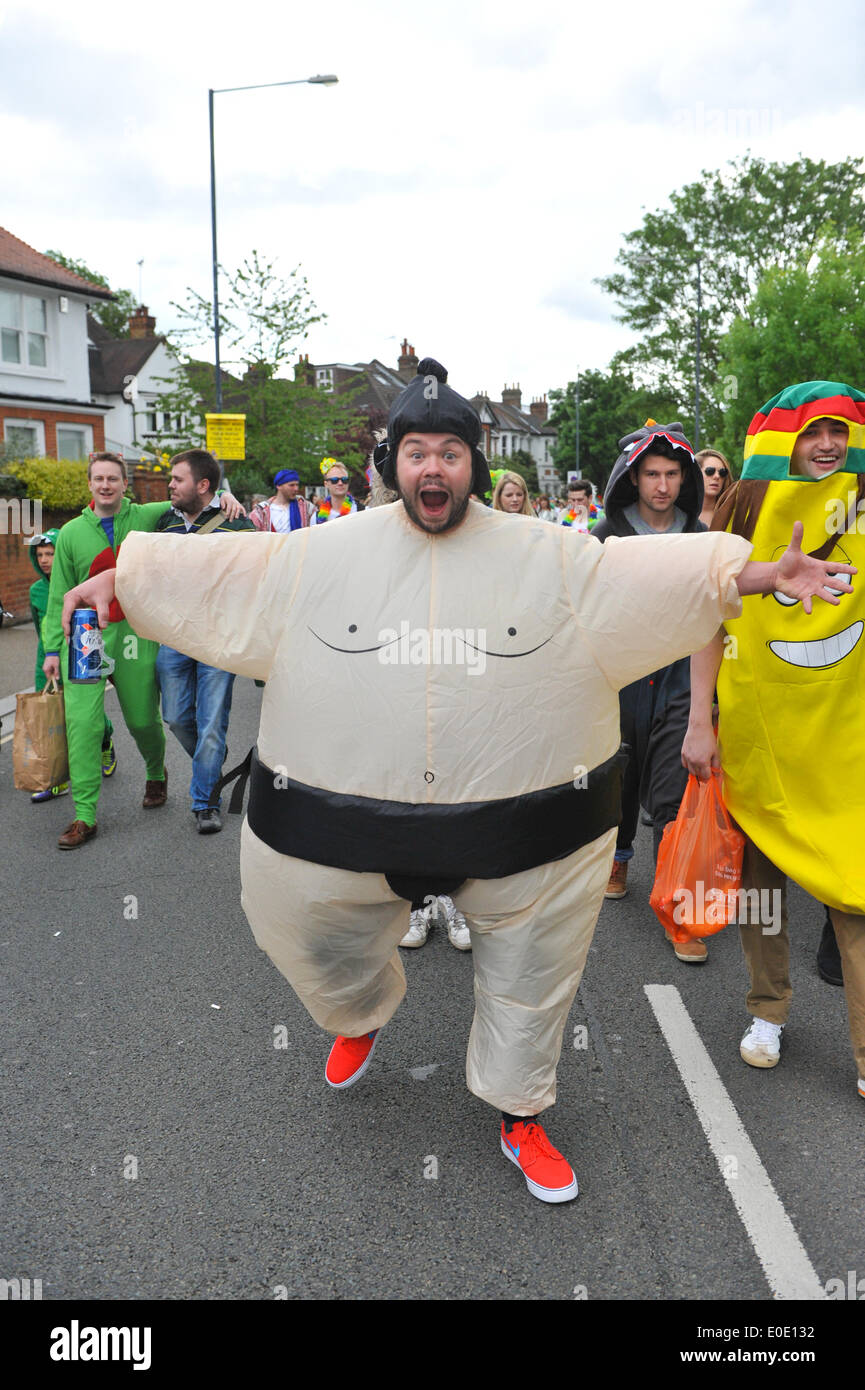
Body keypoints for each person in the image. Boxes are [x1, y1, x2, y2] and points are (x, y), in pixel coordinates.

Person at [62, 360, 852, 1203]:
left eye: (448, 452)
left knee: (532, 978)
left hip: (523, 836)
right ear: (391, 465)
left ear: (473, 465)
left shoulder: (553, 556)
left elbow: (639, 576)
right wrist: (123, 582)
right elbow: (227, 573)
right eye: (415, 453)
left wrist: (758, 573)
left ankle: (519, 1113)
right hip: (340, 833)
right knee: (316, 932)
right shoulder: (318, 555)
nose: (431, 467)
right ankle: (357, 1011)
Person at [683, 381, 864, 1098]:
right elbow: (709, 619)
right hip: (761, 726)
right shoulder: (741, 509)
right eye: (811, 430)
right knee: (761, 889)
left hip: (843, 733)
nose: (825, 444)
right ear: (781, 440)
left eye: (837, 431)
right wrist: (700, 720)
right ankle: (767, 1012)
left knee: (852, 892)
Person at [42, 451, 242, 849]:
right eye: (98, 479)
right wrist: (50, 649)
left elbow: (196, 499)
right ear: (89, 484)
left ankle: (156, 772)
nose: (105, 485)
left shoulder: (150, 515)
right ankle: (84, 816)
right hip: (86, 637)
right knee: (84, 723)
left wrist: (226, 498)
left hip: (137, 631)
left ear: (123, 484)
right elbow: (58, 594)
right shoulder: (68, 534)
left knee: (144, 720)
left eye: (112, 479)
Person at [592, 423, 711, 961]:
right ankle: (619, 856)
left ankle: (675, 907)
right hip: (622, 673)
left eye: (670, 474)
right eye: (651, 474)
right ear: (634, 478)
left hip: (682, 675)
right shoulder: (607, 535)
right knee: (621, 775)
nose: (661, 485)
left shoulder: (702, 536)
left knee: (672, 788)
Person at [154, 451, 255, 834]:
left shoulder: (237, 522)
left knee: (212, 723)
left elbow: (257, 575)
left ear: (203, 486)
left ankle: (205, 803)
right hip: (174, 637)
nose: (170, 486)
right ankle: (211, 756)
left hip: (218, 638)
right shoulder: (163, 521)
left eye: (178, 480)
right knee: (177, 719)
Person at [25, 529, 114, 801]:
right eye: (39, 555)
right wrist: (48, 653)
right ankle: (57, 781)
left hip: (78, 656)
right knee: (50, 716)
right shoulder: (36, 590)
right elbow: (40, 627)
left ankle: (105, 740)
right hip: (48, 658)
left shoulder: (78, 584)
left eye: (50, 554)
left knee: (85, 717)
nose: (44, 560)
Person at [249, 470, 314, 533]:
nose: (296, 489)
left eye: (297, 485)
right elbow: (253, 536)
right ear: (279, 486)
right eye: (291, 485)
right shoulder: (261, 511)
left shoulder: (305, 507)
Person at [310, 459, 358, 523]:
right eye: (334, 480)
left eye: (344, 479)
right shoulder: (315, 518)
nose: (340, 483)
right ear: (326, 484)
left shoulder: (363, 511)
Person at [696, 448, 734, 529]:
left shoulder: (733, 515)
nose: (717, 476)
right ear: (696, 474)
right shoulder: (678, 513)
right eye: (710, 471)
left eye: (722, 472)